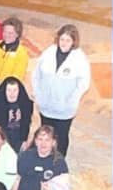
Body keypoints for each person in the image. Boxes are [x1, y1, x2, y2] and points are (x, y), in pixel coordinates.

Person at [32, 24, 91, 157]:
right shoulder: (48, 52)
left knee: (61, 137)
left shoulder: (80, 58)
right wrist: (38, 94)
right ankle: (44, 159)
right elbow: (36, 75)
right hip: (46, 106)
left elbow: (84, 83)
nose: (64, 43)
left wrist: (71, 100)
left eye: (68, 40)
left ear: (73, 42)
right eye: (62, 39)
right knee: (46, 136)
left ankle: (59, 162)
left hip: (65, 109)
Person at [0, 76, 34, 152]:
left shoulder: (26, 104)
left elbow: (27, 123)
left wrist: (24, 140)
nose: (12, 94)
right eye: (9, 90)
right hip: (1, 137)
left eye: (15, 90)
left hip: (19, 138)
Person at [0, 17, 30, 90]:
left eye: (10, 33)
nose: (6, 35)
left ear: (17, 34)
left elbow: (18, 74)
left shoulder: (22, 53)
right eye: (5, 32)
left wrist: (3, 85)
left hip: (9, 89)